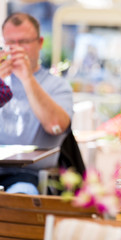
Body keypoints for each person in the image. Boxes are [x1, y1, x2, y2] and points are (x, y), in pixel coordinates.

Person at [0, 13, 73, 194]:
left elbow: (56, 125)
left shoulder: (56, 85)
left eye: (23, 42)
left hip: (31, 175)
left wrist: (27, 79)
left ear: (40, 43)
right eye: (10, 43)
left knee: (21, 193)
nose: (16, 49)